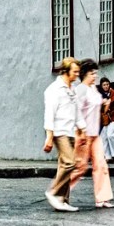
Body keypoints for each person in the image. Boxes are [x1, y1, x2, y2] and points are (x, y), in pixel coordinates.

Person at [43, 57, 85, 212]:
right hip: (59, 131)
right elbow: (49, 114)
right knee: (70, 163)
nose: (77, 74)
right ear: (66, 72)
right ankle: (53, 192)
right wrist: (49, 136)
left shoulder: (71, 88)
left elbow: (76, 110)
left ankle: (63, 200)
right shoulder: (54, 90)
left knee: (64, 166)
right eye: (74, 72)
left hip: (70, 131)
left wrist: (82, 128)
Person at [71, 59, 114, 209]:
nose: (95, 76)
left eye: (95, 73)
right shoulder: (81, 89)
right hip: (83, 134)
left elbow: (94, 103)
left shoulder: (93, 89)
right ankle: (59, 192)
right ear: (85, 74)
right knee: (79, 167)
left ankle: (102, 198)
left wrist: (104, 103)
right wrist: (81, 132)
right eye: (92, 73)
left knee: (101, 164)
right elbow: (76, 111)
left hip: (94, 134)